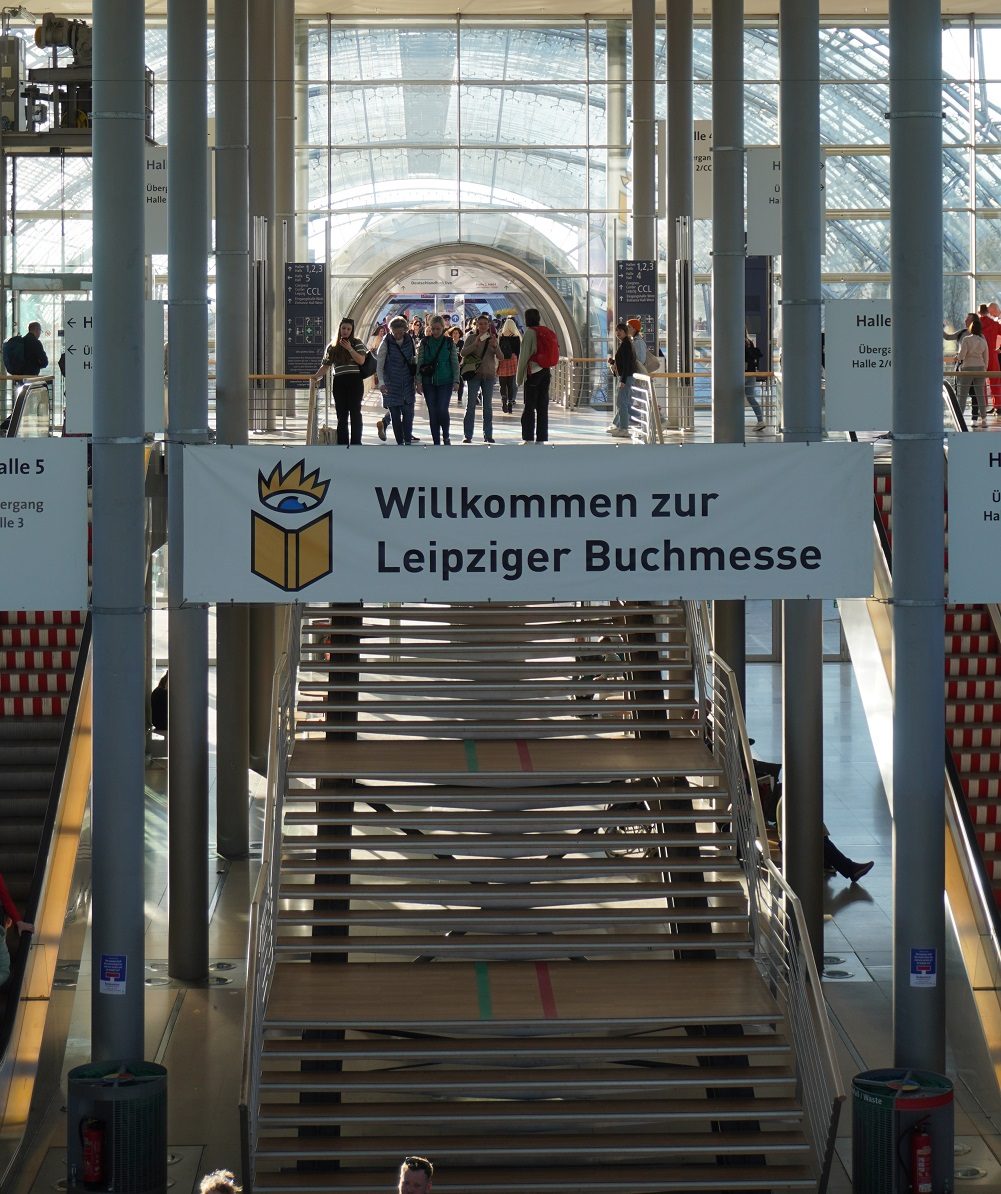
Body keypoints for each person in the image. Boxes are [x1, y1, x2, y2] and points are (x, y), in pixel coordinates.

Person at [312, 317, 369, 445]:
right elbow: (325, 366)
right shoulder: (332, 346)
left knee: (355, 412)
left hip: (355, 380)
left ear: (352, 330)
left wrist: (350, 348)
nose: (345, 331)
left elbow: (361, 360)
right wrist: (314, 378)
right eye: (343, 328)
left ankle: (356, 442)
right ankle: (343, 443)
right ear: (339, 329)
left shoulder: (357, 343)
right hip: (339, 381)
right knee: (341, 414)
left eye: (349, 329)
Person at [416, 314, 459, 444]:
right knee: (432, 411)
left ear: (443, 328)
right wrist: (418, 381)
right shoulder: (425, 342)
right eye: (433, 329)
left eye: (438, 329)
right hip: (428, 381)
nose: (435, 331)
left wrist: (456, 380)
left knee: (442, 409)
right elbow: (420, 362)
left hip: (445, 380)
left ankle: (446, 435)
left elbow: (454, 362)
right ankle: (436, 440)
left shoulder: (448, 342)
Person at [516, 307, 556, 444]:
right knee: (542, 407)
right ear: (538, 318)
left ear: (526, 319)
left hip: (533, 373)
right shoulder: (545, 331)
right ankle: (541, 439)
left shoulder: (529, 333)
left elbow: (523, 357)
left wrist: (519, 378)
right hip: (546, 372)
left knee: (529, 407)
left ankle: (528, 438)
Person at [376, 316, 418, 445]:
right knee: (395, 416)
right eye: (395, 333)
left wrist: (417, 380)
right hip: (391, 385)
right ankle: (400, 442)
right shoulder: (386, 342)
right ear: (391, 331)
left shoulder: (409, 340)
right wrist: (381, 383)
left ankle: (407, 441)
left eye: (400, 332)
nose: (398, 336)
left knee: (408, 415)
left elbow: (413, 360)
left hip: (407, 383)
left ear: (405, 330)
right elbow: (380, 364)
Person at [459, 312, 500, 443]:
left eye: (485, 324)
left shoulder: (492, 338)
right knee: (470, 405)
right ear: (476, 325)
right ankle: (467, 435)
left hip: (488, 376)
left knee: (487, 406)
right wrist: (475, 345)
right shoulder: (471, 338)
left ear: (489, 325)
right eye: (480, 324)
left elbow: (501, 357)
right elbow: (463, 353)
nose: (482, 326)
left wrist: (495, 346)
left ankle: (488, 435)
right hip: (474, 375)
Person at [955, 313, 989, 425]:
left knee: (963, 394)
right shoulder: (983, 340)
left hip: (968, 367)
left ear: (971, 328)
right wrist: (984, 368)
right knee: (980, 394)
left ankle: (960, 417)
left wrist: (957, 357)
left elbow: (962, 356)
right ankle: (983, 418)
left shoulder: (966, 339)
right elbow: (986, 357)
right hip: (980, 368)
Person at [606, 321, 635, 438]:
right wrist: (613, 362)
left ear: (625, 332)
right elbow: (623, 362)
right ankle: (619, 426)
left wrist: (623, 380)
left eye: (620, 330)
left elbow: (628, 364)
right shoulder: (624, 343)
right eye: (616, 330)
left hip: (626, 377)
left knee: (622, 403)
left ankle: (624, 428)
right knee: (623, 403)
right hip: (625, 376)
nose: (618, 333)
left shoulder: (626, 344)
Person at [979, 302, 1001, 414]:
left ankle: (982, 406)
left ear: (979, 312)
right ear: (988, 312)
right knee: (995, 381)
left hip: (980, 356)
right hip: (992, 355)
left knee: (980, 381)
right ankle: (998, 406)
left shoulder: (976, 324)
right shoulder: (994, 324)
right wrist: (1000, 348)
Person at [744, 332, 767, 431]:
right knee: (751, 398)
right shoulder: (749, 342)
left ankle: (733, 422)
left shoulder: (737, 342)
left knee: (734, 398)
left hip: (741, 374)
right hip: (751, 374)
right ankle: (760, 421)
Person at [497, 317, 521, 413]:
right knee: (511, 383)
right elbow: (518, 352)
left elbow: (498, 349)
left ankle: (504, 399)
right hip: (513, 360)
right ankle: (510, 402)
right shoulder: (516, 337)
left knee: (502, 383)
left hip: (502, 360)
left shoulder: (501, 336)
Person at [447, 326, 465, 405]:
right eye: (453, 333)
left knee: (460, 381)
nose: (455, 334)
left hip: (460, 364)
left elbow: (464, 354)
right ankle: (448, 397)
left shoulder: (462, 343)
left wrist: (461, 362)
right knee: (449, 381)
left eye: (457, 333)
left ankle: (459, 398)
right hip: (450, 364)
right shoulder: (449, 342)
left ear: (459, 334)